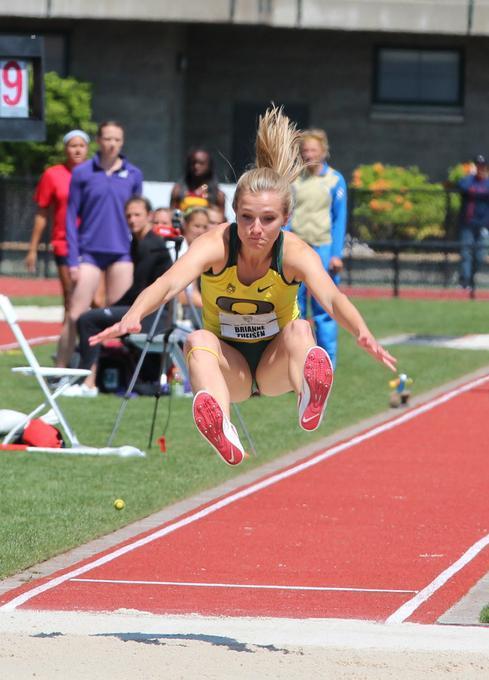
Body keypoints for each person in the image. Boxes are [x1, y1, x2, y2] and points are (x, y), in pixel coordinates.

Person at [90, 106, 396, 466]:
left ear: (285, 218)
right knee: (196, 339)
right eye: (247, 218)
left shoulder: (294, 252)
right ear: (234, 212)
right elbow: (169, 282)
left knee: (301, 328)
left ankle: (308, 396)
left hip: (275, 365)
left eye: (268, 220)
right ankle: (222, 426)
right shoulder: (216, 244)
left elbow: (331, 296)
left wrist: (362, 331)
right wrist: (135, 314)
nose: (256, 229)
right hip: (229, 368)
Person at [63, 197, 173, 397]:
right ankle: (86, 380)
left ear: (149, 216)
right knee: (93, 318)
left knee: (88, 319)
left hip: (152, 315)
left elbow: (140, 288)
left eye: (137, 215)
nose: (132, 220)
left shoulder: (151, 245)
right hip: (145, 310)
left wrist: (113, 307)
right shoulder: (138, 243)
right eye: (128, 215)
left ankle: (87, 383)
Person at [62, 120, 143, 367]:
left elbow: (138, 216)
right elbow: (70, 214)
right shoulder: (83, 172)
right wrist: (72, 259)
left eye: (117, 139)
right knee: (75, 314)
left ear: (122, 142)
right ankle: (59, 370)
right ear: (98, 140)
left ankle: (122, 371)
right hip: (90, 253)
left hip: (121, 254)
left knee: (124, 318)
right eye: (107, 138)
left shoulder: (134, 174)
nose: (112, 144)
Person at [25, 129, 90, 366]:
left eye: (81, 145)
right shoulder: (53, 175)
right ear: (65, 149)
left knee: (98, 300)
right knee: (71, 299)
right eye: (72, 145)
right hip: (64, 243)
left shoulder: (95, 173)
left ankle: (91, 354)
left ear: (88, 148)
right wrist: (33, 248)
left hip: (92, 245)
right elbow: (42, 212)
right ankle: (67, 353)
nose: (77, 150)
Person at [288, 128, 347, 368]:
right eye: (305, 151)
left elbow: (339, 218)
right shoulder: (294, 180)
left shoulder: (334, 180)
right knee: (295, 307)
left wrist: (336, 254)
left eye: (313, 150)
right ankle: (299, 359)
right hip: (298, 247)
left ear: (323, 152)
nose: (309, 155)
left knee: (324, 306)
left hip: (323, 246)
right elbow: (288, 214)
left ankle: (328, 362)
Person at [457, 154, 489, 289]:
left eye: (482, 166)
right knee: (466, 253)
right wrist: (470, 176)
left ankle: (470, 278)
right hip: (468, 224)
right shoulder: (468, 180)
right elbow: (462, 186)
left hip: (484, 225)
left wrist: (475, 191)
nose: (480, 169)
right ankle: (465, 282)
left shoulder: (487, 182)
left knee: (480, 255)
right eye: (478, 166)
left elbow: (483, 191)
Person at [170, 148, 226, 214]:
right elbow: (171, 216)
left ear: (209, 166)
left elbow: (221, 220)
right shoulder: (177, 191)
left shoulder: (218, 195)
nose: (196, 166)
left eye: (201, 163)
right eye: (193, 163)